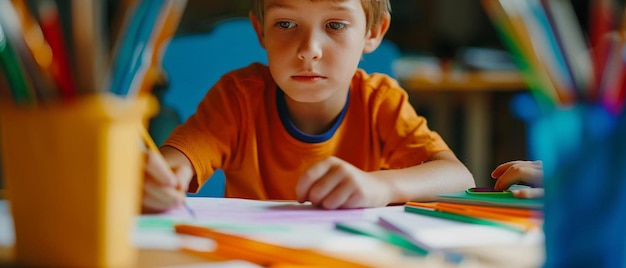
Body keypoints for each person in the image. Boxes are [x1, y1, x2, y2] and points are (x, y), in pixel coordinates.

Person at [142, 0, 475, 212]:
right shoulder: (238, 97)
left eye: (335, 25)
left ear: (373, 32)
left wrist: (380, 186)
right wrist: (160, 181)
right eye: (285, 24)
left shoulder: (379, 102)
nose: (309, 50)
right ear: (261, 31)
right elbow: (174, 166)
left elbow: (458, 177)